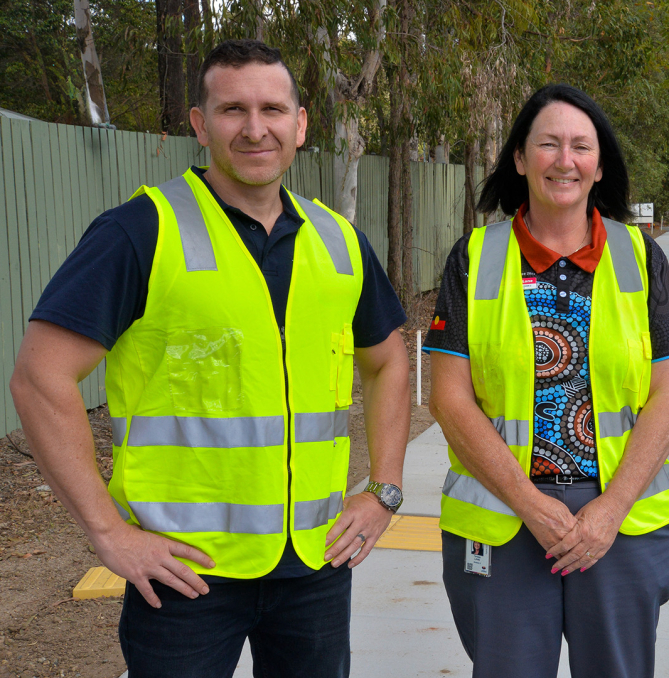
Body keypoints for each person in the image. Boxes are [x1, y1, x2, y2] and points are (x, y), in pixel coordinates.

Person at [8, 40, 411, 677]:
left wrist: (384, 491)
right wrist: (109, 534)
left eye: (274, 109)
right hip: (184, 576)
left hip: (314, 568)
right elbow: (38, 377)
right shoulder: (141, 231)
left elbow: (389, 361)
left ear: (300, 125)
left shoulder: (338, 240)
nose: (256, 129)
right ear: (200, 124)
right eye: (232, 110)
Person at [424, 83, 669, 678]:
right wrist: (533, 507)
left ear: (599, 166)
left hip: (619, 523)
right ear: (520, 159)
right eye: (548, 144)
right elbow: (446, 396)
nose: (564, 160)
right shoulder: (472, 259)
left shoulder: (641, 257)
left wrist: (610, 510)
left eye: (580, 146)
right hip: (504, 519)